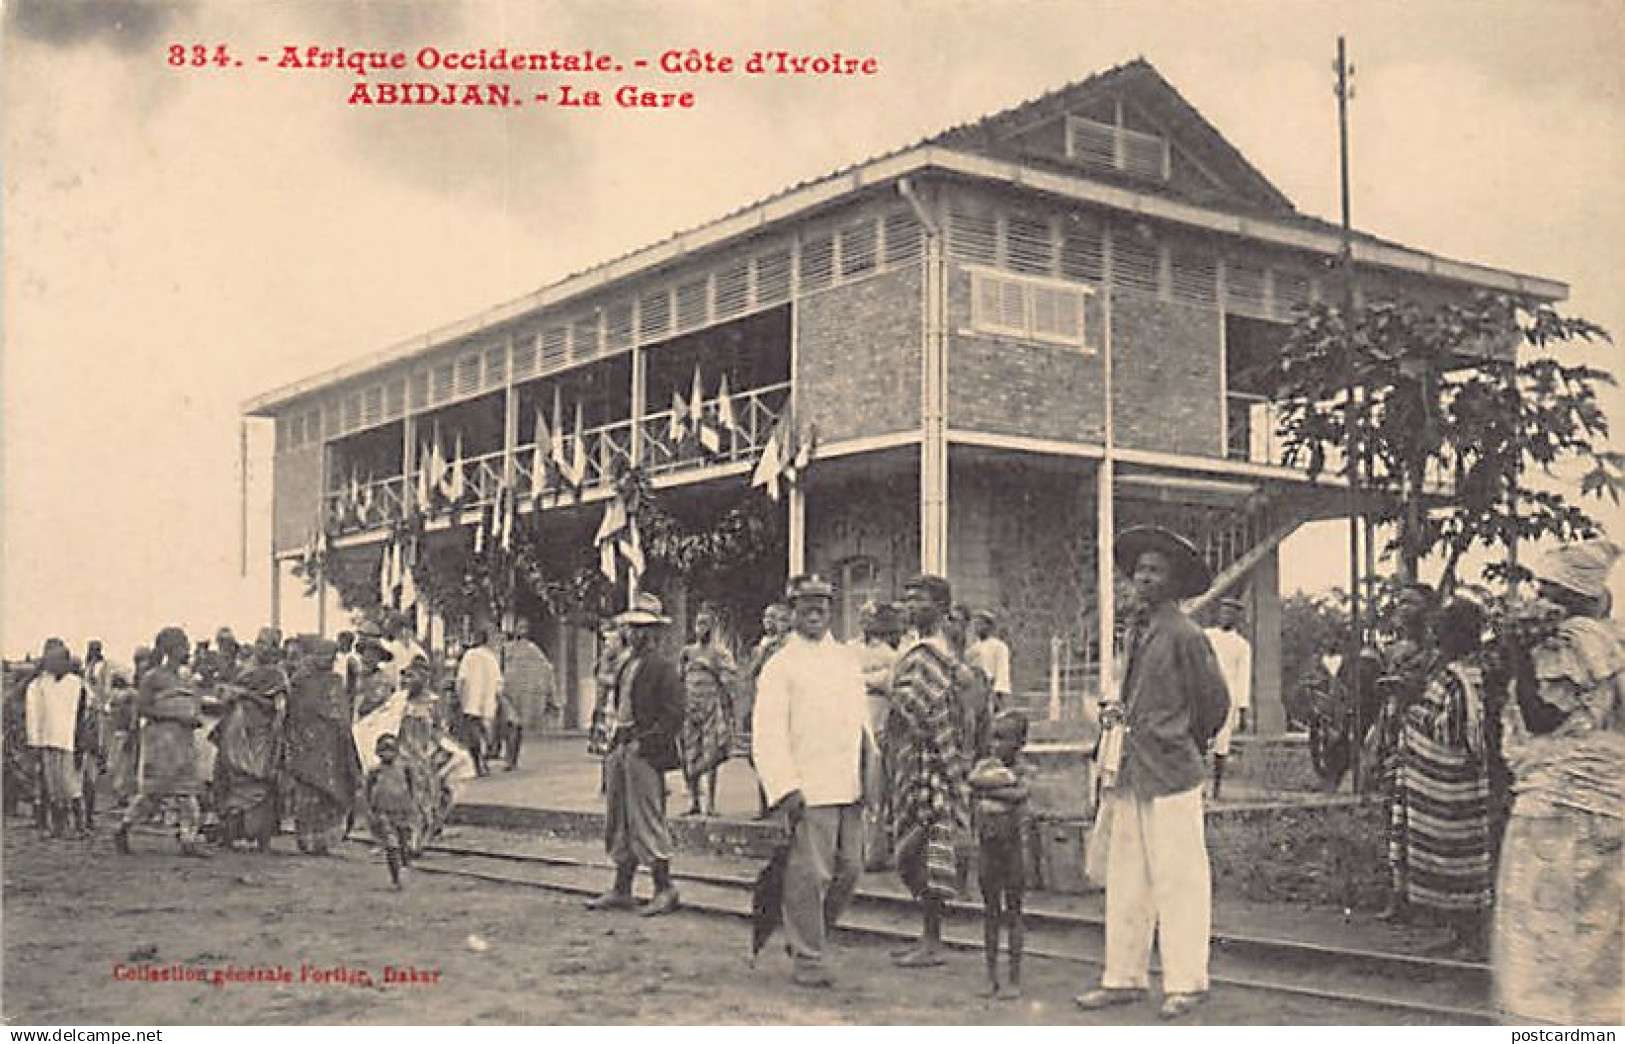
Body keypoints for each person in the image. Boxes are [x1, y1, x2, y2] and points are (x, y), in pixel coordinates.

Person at [1075, 526, 1229, 1021]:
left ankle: (1187, 982)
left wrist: (1181, 739)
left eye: (1155, 572)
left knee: (1179, 878)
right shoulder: (1138, 631)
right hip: (1132, 770)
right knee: (1127, 877)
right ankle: (1123, 976)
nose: (1143, 578)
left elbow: (1215, 704)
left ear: (1174, 582)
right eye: (1139, 570)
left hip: (1172, 772)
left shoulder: (1186, 634)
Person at [1494, 538, 1624, 1025]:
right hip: (1610, 798)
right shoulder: (1614, 639)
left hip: (1556, 803)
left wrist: (1517, 657)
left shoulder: (1565, 641)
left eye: (1543, 587)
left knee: (1541, 936)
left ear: (1564, 594)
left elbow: (1542, 717)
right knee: (1600, 938)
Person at [753, 575, 873, 988]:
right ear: (791, 610)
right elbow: (767, 732)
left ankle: (805, 935)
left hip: (850, 785)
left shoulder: (845, 659)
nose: (815, 610)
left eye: (822, 602)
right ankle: (807, 956)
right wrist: (785, 788)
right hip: (809, 787)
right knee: (810, 875)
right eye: (806, 603)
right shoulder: (779, 666)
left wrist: (872, 774)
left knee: (850, 870)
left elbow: (862, 723)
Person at [1390, 598, 1493, 959]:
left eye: (1443, 631)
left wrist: (1408, 705)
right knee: (1461, 857)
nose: (1437, 638)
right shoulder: (1475, 671)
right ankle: (1462, 933)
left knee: (1457, 857)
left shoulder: (1455, 677)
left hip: (1453, 785)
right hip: (1462, 784)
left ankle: (1472, 936)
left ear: (1458, 635)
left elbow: (1450, 731)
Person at [887, 574, 970, 968]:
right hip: (908, 759)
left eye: (919, 600)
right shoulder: (914, 649)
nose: (910, 607)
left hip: (931, 760)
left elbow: (933, 710)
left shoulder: (936, 653)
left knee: (925, 848)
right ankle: (927, 936)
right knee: (909, 845)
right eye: (907, 600)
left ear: (940, 607)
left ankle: (933, 940)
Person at [586, 593, 685, 917]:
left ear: (657, 633)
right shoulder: (627, 663)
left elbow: (674, 715)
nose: (638, 634)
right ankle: (621, 888)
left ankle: (664, 887)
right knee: (620, 819)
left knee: (646, 820)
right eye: (634, 627)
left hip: (644, 751)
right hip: (622, 745)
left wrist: (647, 743)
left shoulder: (663, 668)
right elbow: (620, 705)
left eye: (645, 629)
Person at [1376, 581, 1439, 922]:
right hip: (1393, 731)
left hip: (1420, 734)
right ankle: (1398, 895)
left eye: (1411, 603)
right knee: (1393, 813)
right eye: (1399, 601)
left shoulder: (1433, 652)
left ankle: (1421, 897)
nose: (1402, 608)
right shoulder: (1393, 649)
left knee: (1419, 815)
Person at [115, 627, 209, 857]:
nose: (187, 649)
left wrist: (193, 718)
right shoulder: (153, 677)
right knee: (152, 793)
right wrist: (175, 717)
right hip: (160, 742)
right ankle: (123, 828)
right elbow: (144, 708)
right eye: (183, 645)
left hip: (183, 741)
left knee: (187, 793)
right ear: (170, 649)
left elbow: (195, 705)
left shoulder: (187, 678)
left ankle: (188, 840)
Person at [969, 709, 1033, 1000]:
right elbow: (973, 781)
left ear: (1019, 742)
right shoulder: (986, 765)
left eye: (1002, 738)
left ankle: (1014, 979)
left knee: (1014, 913)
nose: (995, 745)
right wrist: (1003, 784)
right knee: (990, 912)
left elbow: (1020, 794)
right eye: (992, 738)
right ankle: (990, 977)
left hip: (1013, 848)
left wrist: (992, 788)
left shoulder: (1024, 769)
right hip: (988, 847)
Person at [283, 637, 363, 855]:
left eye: (331, 656)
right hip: (307, 744)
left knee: (331, 793)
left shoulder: (336, 681)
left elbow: (342, 711)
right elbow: (293, 713)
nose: (327, 660)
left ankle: (324, 841)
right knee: (308, 794)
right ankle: (306, 838)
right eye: (323, 655)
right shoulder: (300, 681)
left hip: (332, 746)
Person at [211, 633, 288, 851]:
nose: (261, 648)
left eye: (267, 644)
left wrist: (248, 695)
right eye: (259, 642)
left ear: (274, 649)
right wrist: (228, 696)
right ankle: (229, 832)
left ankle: (261, 836)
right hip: (236, 729)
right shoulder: (245, 669)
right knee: (229, 776)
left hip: (261, 733)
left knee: (258, 779)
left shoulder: (277, 675)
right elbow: (225, 696)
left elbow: (277, 706)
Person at [24, 639, 95, 838]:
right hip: (47, 741)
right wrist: (35, 744)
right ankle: (56, 826)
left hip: (70, 742)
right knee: (51, 785)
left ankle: (80, 825)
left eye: (59, 660)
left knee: (72, 785)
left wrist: (83, 740)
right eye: (50, 661)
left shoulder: (77, 685)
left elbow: (85, 714)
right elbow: (34, 715)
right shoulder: (38, 685)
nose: (55, 665)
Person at [678, 604, 736, 817]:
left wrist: (711, 667)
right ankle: (694, 800)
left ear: (712, 627)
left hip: (712, 706)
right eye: (697, 624)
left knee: (711, 754)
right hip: (690, 707)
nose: (700, 628)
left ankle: (710, 803)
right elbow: (680, 677)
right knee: (689, 754)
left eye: (704, 624)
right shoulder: (687, 652)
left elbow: (730, 679)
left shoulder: (720, 652)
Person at [857, 601, 902, 871]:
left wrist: (866, 679)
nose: (865, 622)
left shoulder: (889, 653)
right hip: (855, 717)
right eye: (862, 617)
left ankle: (875, 852)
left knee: (878, 787)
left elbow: (890, 683)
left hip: (880, 718)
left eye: (870, 617)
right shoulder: (851, 650)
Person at [1203, 597, 1252, 800]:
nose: (1226, 616)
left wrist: (1242, 709)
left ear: (1237, 618)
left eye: (1231, 613)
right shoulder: (1207, 636)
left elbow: (1243, 677)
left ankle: (1216, 788)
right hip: (1205, 693)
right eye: (1223, 612)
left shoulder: (1242, 645)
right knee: (1200, 740)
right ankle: (1198, 788)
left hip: (1227, 696)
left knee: (1221, 744)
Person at [366, 734, 424, 889]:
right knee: (391, 845)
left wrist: (414, 807)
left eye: (391, 750)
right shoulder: (375, 771)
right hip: (383, 812)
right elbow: (368, 791)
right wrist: (370, 811)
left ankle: (404, 868)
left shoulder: (405, 768)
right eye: (383, 750)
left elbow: (413, 788)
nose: (387, 754)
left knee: (404, 843)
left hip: (403, 811)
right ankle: (396, 878)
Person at [499, 619, 555, 770]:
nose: (522, 630)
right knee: (510, 725)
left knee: (516, 727)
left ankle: (512, 759)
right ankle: (509, 758)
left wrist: (545, 692)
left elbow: (546, 668)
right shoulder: (506, 648)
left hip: (523, 695)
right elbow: (500, 667)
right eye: (520, 627)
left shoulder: (533, 649)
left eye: (525, 627)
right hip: (508, 693)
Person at [455, 629, 503, 777]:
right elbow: (498, 682)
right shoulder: (491, 657)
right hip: (488, 701)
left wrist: (460, 697)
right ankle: (485, 761)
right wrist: (497, 698)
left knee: (472, 733)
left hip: (470, 700)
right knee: (486, 731)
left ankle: (477, 763)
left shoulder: (469, 656)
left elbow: (461, 680)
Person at [966, 611, 1013, 712]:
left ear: (989, 627)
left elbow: (1002, 671)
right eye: (976, 624)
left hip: (991, 689)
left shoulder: (999, 646)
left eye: (981, 624)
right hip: (975, 690)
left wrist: (997, 693)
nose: (977, 628)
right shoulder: (973, 647)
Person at [352, 637, 395, 720]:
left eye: (375, 655)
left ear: (379, 659)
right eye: (368, 653)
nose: (370, 657)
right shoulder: (353, 673)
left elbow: (377, 703)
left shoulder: (383, 679)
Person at [333, 631, 360, 704]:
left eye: (345, 642)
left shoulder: (352, 658)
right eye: (340, 641)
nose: (341, 644)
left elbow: (357, 677)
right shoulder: (334, 657)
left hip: (346, 695)